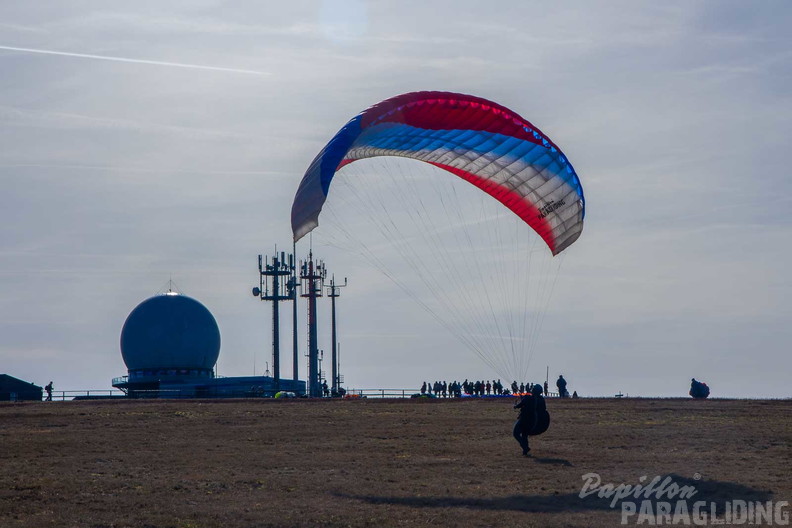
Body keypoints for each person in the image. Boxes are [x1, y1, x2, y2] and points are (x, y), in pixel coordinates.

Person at [512, 384, 549, 456]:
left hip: (524, 419)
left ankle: (525, 447)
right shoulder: (541, 399)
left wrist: (515, 406)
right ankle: (525, 451)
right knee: (524, 434)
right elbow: (543, 409)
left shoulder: (528, 398)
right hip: (533, 420)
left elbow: (521, 404)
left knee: (516, 433)